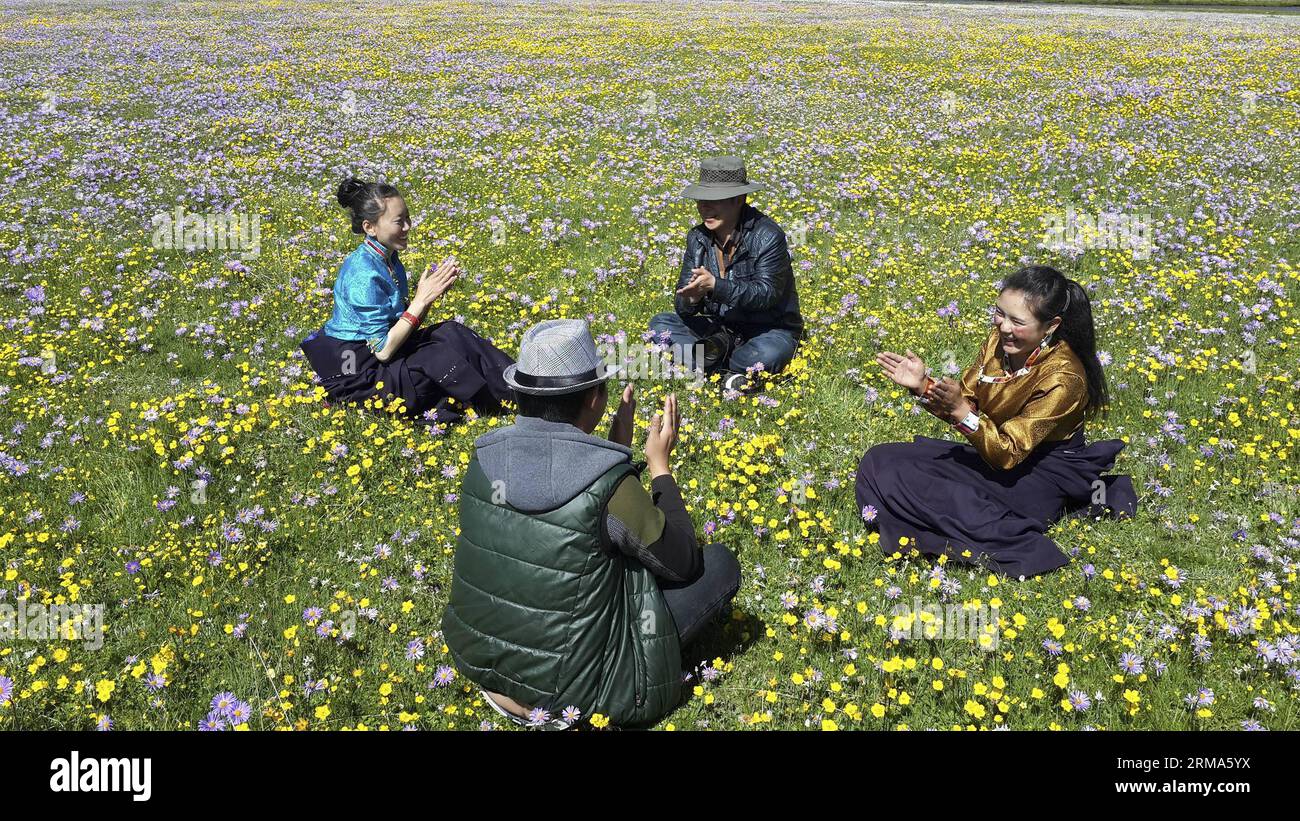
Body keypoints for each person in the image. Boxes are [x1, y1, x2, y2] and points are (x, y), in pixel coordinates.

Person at [441, 319, 741, 729]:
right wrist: (657, 467)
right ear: (596, 399)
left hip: (481, 665)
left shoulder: (483, 458)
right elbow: (683, 562)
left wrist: (611, 453)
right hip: (576, 694)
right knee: (719, 563)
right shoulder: (609, 484)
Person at [856, 264, 1137, 578]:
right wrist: (924, 386)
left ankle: (1010, 536)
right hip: (991, 451)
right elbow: (965, 400)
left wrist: (963, 413)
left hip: (1037, 475)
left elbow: (1007, 452)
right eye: (999, 314)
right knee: (880, 460)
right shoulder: (998, 344)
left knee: (918, 484)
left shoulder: (1064, 377)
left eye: (1017, 321)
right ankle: (938, 517)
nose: (1004, 327)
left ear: (1051, 326)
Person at [299, 177, 515, 424]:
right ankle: (504, 403)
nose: (407, 227)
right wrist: (421, 301)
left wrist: (427, 298)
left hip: (376, 354)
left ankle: (519, 384)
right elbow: (382, 350)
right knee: (438, 361)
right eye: (398, 221)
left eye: (408, 218)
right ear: (370, 227)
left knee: (452, 333)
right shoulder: (363, 274)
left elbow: (400, 325)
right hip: (355, 369)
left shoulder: (387, 258)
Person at [648, 156, 804, 393]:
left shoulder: (768, 236)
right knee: (661, 324)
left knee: (770, 352)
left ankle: (712, 365)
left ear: (739, 200)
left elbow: (767, 294)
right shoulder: (697, 238)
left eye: (714, 201)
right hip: (719, 328)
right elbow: (683, 306)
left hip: (766, 329)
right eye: (701, 200)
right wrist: (691, 298)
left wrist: (716, 286)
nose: (704, 207)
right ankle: (731, 374)